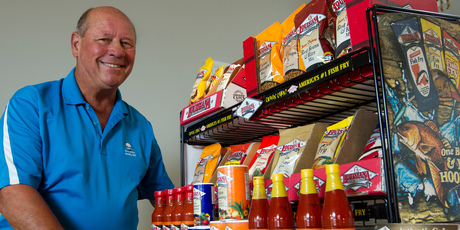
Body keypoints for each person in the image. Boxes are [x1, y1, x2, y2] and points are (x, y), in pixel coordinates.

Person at [0, 6, 174, 229]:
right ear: (76, 44)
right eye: (104, 39)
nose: (117, 51)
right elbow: (13, 193)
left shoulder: (140, 126)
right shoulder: (30, 104)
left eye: (127, 43)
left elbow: (167, 200)